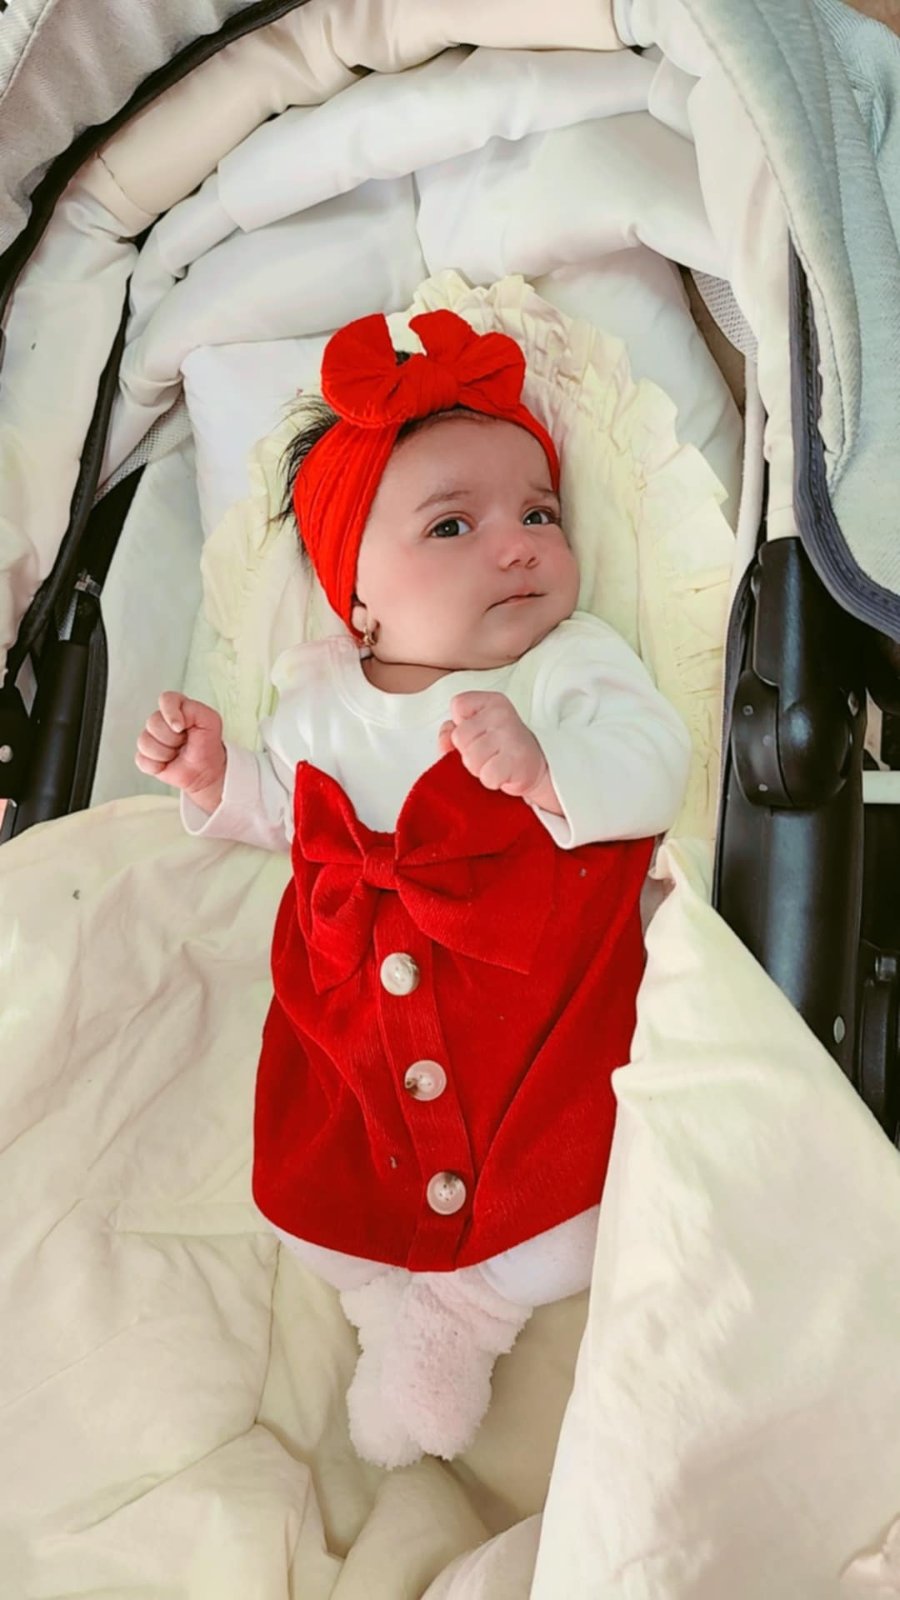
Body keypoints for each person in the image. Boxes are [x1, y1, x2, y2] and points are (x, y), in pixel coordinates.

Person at [135, 308, 691, 1467]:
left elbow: (654, 765)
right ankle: (383, 1300)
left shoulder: (565, 663)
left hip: (529, 1020)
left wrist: (546, 767)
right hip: (360, 1025)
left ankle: (469, 1310)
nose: (519, 546)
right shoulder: (318, 699)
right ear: (358, 600)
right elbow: (285, 815)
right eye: (453, 524)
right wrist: (216, 774)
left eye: (540, 511)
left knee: (572, 1216)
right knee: (318, 1197)